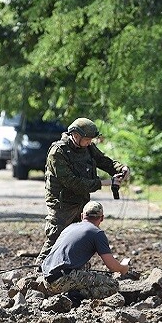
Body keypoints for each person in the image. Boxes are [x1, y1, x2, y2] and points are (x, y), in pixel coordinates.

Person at [39, 117, 130, 261]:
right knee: (56, 239)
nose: (90, 143)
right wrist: (104, 183)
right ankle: (39, 272)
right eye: (87, 139)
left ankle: (73, 270)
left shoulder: (87, 147)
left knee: (78, 240)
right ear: (75, 135)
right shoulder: (58, 152)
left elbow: (103, 161)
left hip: (81, 201)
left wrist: (121, 169)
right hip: (62, 204)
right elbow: (71, 182)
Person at [40, 201, 130, 304]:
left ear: (82, 216)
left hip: (46, 279)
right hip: (62, 280)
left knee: (86, 266)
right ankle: (75, 296)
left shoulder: (70, 227)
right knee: (113, 285)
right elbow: (112, 267)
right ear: (102, 218)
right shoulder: (97, 233)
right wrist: (123, 268)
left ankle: (65, 292)